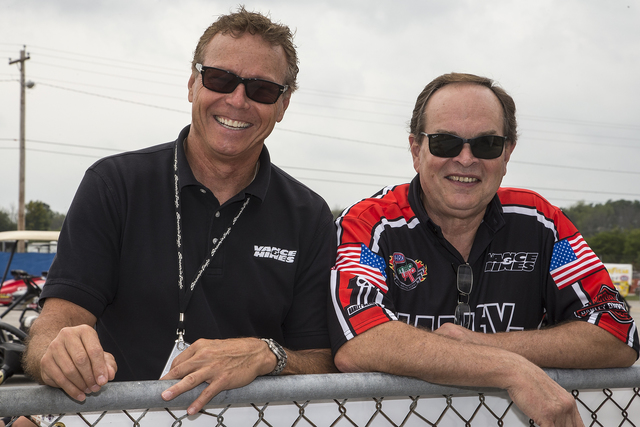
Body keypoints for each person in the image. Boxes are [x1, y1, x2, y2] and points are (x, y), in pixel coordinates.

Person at [23, 6, 337, 417]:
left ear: (283, 104)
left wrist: (268, 354)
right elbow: (57, 320)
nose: (237, 100)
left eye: (261, 89)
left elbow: (323, 360)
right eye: (220, 79)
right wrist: (56, 350)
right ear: (192, 83)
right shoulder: (113, 184)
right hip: (110, 417)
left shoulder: (310, 215)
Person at [329, 72, 638, 426]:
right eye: (445, 143)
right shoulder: (369, 223)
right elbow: (359, 340)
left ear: (507, 154)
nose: (465, 159)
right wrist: (510, 369)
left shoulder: (542, 223)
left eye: (486, 144)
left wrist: (482, 345)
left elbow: (618, 331)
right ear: (416, 150)